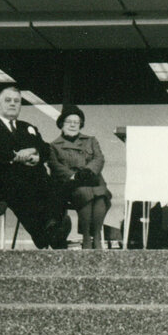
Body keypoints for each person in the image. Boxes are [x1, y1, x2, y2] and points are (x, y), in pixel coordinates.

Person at [0, 85, 71, 250]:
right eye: (8, 100)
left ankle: (51, 227)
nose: (13, 104)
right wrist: (16, 157)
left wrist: (34, 152)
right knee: (21, 189)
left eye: (17, 101)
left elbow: (46, 148)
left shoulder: (28, 127)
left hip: (33, 178)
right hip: (4, 179)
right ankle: (46, 235)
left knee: (58, 186)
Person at [48, 105, 112, 250]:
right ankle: (86, 238)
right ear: (61, 124)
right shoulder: (53, 146)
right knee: (85, 193)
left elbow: (99, 159)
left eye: (76, 122)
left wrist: (88, 171)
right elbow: (55, 166)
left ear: (81, 124)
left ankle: (96, 237)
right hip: (70, 185)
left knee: (101, 194)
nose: (72, 125)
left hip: (93, 179)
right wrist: (75, 175)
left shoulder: (91, 140)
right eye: (69, 122)